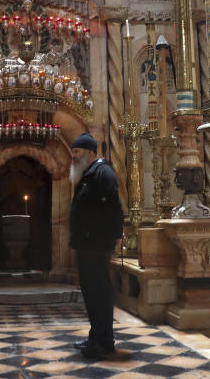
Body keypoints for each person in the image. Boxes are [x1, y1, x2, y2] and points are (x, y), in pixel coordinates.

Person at [68, 132, 123, 359]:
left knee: (99, 292)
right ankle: (95, 337)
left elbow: (114, 206)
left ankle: (104, 341)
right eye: (72, 153)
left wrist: (117, 233)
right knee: (91, 293)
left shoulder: (103, 172)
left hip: (97, 242)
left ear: (90, 153)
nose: (73, 157)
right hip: (87, 243)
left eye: (77, 153)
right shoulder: (89, 173)